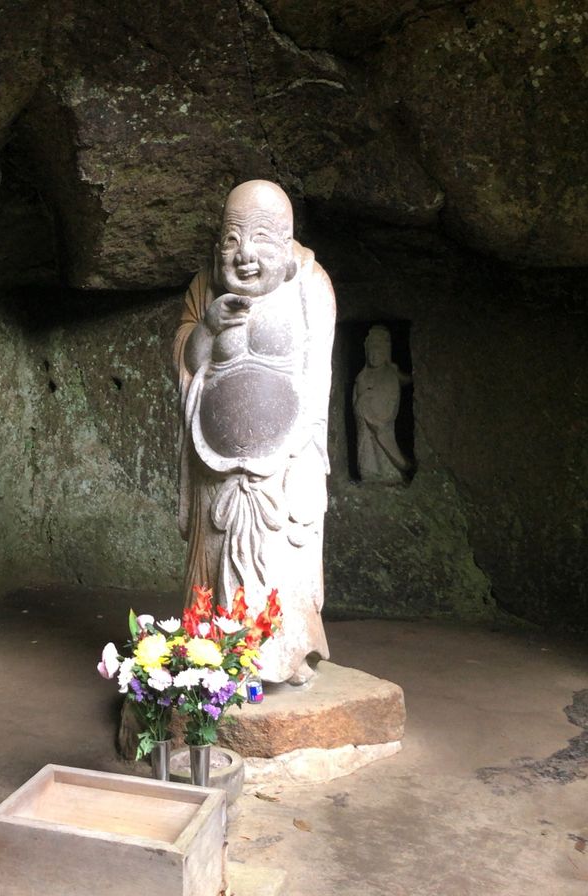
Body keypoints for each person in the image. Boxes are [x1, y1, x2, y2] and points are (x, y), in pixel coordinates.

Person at [173, 180, 335, 685]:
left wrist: (299, 454)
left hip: (281, 463)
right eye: (231, 239)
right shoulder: (205, 288)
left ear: (287, 242)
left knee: (279, 560)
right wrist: (207, 330)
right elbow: (182, 361)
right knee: (215, 558)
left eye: (262, 238)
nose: (244, 255)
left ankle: (283, 656)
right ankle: (210, 658)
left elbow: (318, 374)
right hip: (214, 461)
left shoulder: (310, 284)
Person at [353, 325, 414, 484]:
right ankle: (369, 472)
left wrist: (371, 405)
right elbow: (356, 398)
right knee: (367, 455)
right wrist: (362, 402)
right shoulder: (362, 376)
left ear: (386, 353)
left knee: (384, 452)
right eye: (371, 352)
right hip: (365, 426)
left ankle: (392, 471)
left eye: (378, 352)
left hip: (382, 423)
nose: (374, 356)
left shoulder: (390, 375)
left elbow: (393, 397)